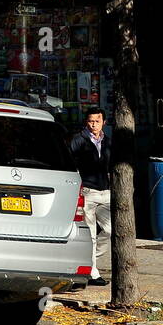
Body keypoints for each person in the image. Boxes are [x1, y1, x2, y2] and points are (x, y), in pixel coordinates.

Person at [69, 107, 112, 286]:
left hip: (105, 192)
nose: (93, 124)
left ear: (104, 122)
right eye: (90, 121)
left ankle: (88, 258)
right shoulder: (79, 140)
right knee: (91, 234)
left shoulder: (108, 141)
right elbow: (70, 160)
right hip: (87, 191)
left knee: (109, 230)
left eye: (97, 121)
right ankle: (93, 272)